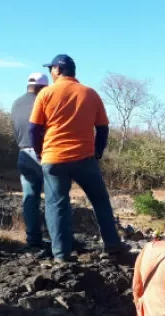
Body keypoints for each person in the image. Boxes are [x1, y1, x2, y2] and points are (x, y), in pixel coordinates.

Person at [29, 54, 126, 262]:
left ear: (57, 69)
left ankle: (61, 255)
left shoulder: (46, 94)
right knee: (100, 200)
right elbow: (102, 128)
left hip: (54, 158)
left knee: (57, 204)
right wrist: (98, 152)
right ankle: (112, 245)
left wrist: (40, 152)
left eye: (51, 69)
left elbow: (34, 129)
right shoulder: (90, 94)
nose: (50, 73)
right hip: (85, 158)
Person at [11, 72, 50, 251]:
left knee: (30, 198)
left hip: (23, 153)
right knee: (54, 198)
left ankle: (33, 240)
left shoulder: (16, 103)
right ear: (42, 87)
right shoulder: (44, 102)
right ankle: (58, 239)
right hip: (45, 153)